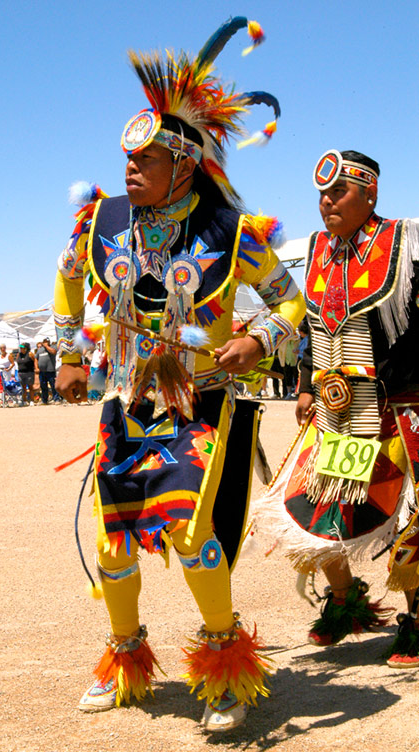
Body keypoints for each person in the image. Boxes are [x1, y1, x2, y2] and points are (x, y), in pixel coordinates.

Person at [54, 17, 305, 731]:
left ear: (185, 164)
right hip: (127, 398)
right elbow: (68, 283)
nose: (131, 170)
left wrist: (258, 341)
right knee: (114, 540)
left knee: (192, 532)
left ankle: (224, 665)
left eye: (148, 160)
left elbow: (291, 302)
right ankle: (125, 655)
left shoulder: (231, 233)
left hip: (200, 403)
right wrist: (72, 352)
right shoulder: (102, 223)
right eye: (127, 160)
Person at [252, 149, 419, 667]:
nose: (326, 203)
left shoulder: (404, 243)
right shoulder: (321, 249)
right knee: (315, 507)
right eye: (321, 195)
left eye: (338, 192)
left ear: (370, 194)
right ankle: (346, 600)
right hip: (336, 411)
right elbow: (312, 325)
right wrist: (304, 383)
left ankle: (417, 617)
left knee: (412, 516)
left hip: (400, 404)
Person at [34, 338, 58, 404]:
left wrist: (47, 346)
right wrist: (36, 367)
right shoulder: (40, 350)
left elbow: (53, 352)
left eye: (47, 342)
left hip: (50, 370)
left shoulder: (52, 347)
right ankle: (44, 400)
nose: (46, 343)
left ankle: (56, 399)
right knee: (43, 386)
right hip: (42, 371)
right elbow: (36, 359)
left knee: (53, 385)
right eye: (44, 342)